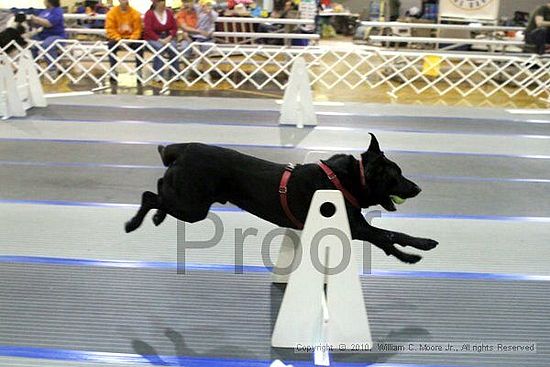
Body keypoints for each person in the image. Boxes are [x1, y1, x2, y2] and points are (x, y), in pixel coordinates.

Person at [105, 0, 143, 82]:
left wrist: (131, 39)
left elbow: (138, 30)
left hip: (132, 39)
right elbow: (110, 29)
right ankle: (113, 70)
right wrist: (118, 39)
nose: (124, 1)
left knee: (140, 46)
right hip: (117, 39)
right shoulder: (112, 13)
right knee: (111, 45)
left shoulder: (135, 13)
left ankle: (139, 70)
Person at [143, 0, 180, 79]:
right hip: (152, 38)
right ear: (155, 3)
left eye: (163, 1)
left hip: (167, 37)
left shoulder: (169, 13)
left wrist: (170, 37)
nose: (163, 3)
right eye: (160, 1)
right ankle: (157, 74)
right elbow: (148, 30)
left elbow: (175, 27)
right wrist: (159, 39)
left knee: (173, 48)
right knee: (160, 48)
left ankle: (175, 73)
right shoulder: (149, 14)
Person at [29, 0, 66, 75]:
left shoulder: (57, 11)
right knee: (30, 44)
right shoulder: (44, 11)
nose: (44, 2)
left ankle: (52, 68)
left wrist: (36, 19)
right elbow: (38, 24)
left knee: (47, 44)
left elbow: (49, 24)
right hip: (42, 35)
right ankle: (34, 67)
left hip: (57, 36)